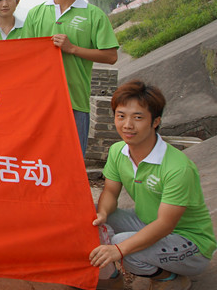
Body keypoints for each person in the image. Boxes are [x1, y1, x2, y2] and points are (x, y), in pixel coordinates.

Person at [89, 80, 215, 290]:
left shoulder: (177, 167)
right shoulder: (118, 151)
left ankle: (169, 278)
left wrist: (119, 249)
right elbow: (110, 191)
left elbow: (165, 224)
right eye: (121, 116)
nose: (127, 125)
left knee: (124, 247)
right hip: (145, 221)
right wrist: (102, 213)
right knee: (90, 216)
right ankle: (111, 277)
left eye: (138, 117)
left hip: (190, 243)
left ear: (155, 121)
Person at [23, 0, 118, 155]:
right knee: (41, 161)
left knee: (73, 161)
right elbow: (25, 57)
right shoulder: (36, 14)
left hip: (75, 102)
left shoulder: (93, 15)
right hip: (42, 103)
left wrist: (73, 49)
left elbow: (111, 56)